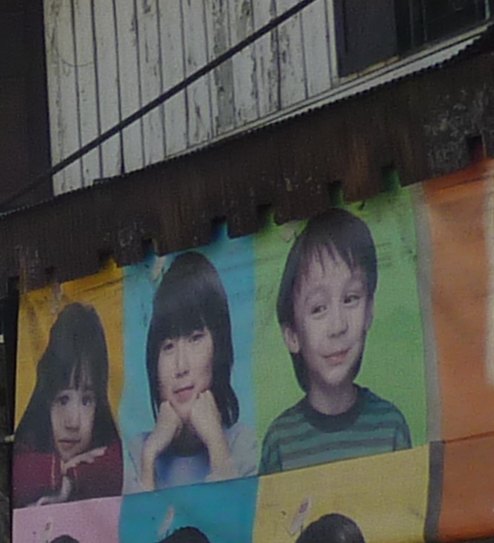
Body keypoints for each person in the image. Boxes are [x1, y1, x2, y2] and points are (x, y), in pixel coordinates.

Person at [259, 207, 415, 472]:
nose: (337, 326)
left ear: (369, 312)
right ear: (292, 335)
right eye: (318, 308)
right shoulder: (281, 440)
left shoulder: (390, 426)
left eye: (350, 299)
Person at [128, 249, 256, 490]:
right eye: (168, 346)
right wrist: (150, 459)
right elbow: (137, 527)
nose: (180, 367)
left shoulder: (242, 444)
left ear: (218, 348)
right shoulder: (138, 451)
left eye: (195, 338)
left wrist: (216, 443)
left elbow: (238, 523)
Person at [13, 306, 124, 505]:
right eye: (62, 400)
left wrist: (72, 478)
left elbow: (123, 463)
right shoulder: (31, 442)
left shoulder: (110, 447)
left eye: (86, 400)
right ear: (46, 401)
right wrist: (59, 471)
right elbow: (18, 470)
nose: (73, 422)